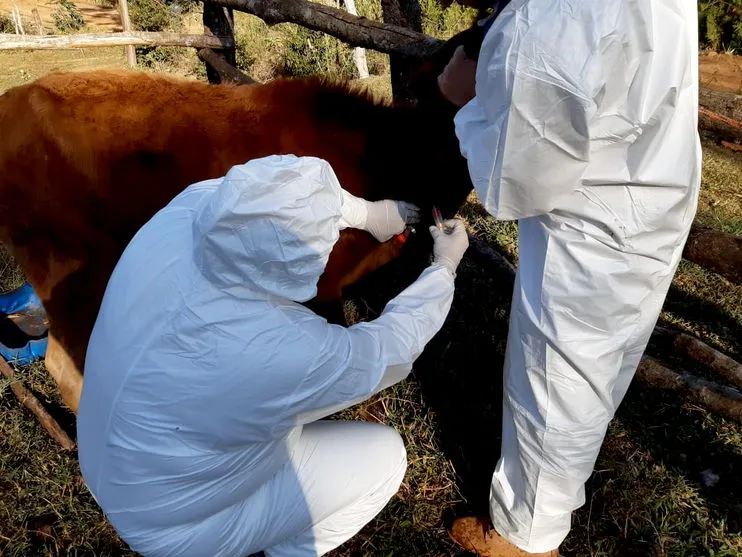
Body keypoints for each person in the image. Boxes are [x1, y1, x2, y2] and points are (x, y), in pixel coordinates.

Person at [76, 154, 469, 557]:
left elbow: (273, 197)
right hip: (177, 525)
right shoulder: (277, 349)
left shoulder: (181, 215)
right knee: (384, 457)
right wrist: (445, 266)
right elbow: (388, 349)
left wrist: (370, 213)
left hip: (104, 458)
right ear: (290, 265)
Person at [436, 1, 702, 555]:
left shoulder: (557, 10)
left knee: (557, 375)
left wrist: (465, 100)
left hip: (592, 220)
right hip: (647, 187)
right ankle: (551, 499)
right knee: (598, 367)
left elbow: (518, 171)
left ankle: (525, 537)